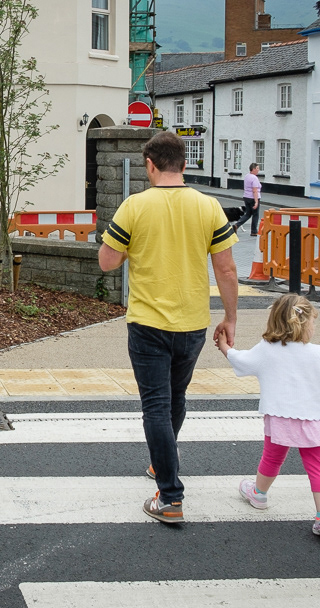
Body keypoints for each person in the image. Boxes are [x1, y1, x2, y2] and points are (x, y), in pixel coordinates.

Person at [98, 131, 239, 524]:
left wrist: (125, 246)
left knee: (155, 406)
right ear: (184, 163)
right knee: (175, 397)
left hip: (147, 323)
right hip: (193, 322)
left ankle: (170, 497)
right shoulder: (209, 206)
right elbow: (226, 269)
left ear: (150, 165)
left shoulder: (135, 206)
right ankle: (162, 466)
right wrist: (230, 318)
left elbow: (107, 262)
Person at [216, 294, 320, 537]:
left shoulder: (268, 350)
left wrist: (225, 346)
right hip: (314, 418)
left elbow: (241, 361)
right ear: (306, 324)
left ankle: (259, 494)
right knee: (318, 467)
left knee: (272, 458)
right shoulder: (318, 353)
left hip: (280, 417)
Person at [232, 163, 261, 237]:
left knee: (248, 214)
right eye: (257, 168)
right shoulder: (254, 178)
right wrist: (256, 201)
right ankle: (254, 231)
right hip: (252, 198)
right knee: (255, 214)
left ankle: (236, 225)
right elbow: (254, 190)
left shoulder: (247, 176)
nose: (258, 170)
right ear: (253, 169)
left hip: (246, 197)